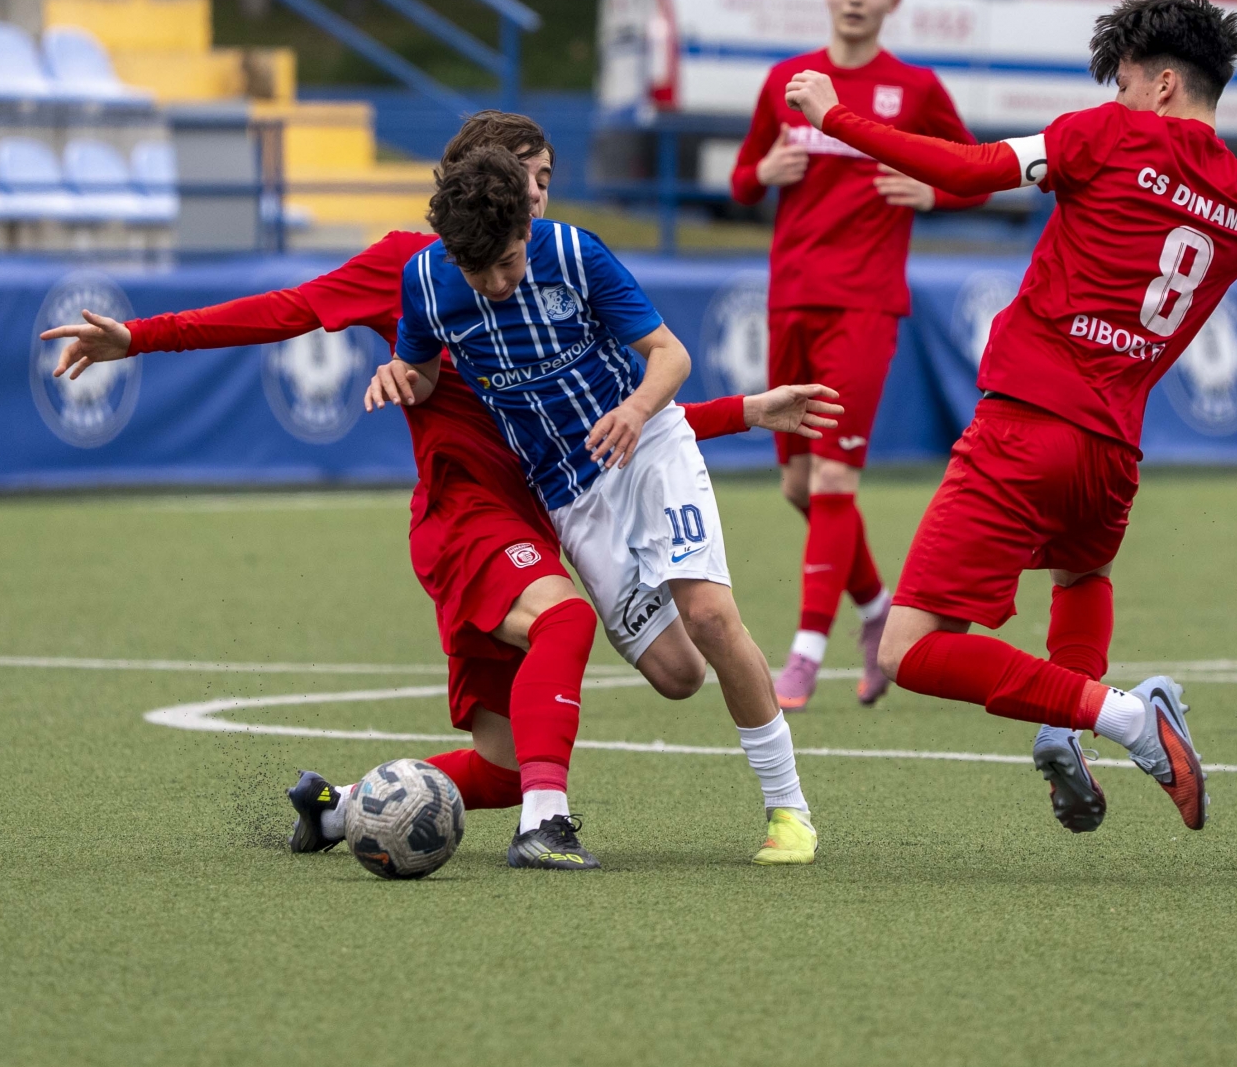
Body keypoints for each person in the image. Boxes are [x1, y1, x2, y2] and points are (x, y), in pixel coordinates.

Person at [41, 111, 841, 870]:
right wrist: (140, 337)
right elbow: (285, 311)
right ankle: (549, 825)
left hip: (545, 514)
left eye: (545, 179)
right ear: (473, 182)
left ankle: (339, 808)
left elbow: (600, 416)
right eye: (525, 177)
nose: (536, 196)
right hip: (472, 516)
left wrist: (739, 412)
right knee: (567, 622)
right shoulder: (414, 273)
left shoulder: (558, 260)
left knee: (521, 755)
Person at [784, 0, 1237, 835]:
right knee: (1080, 576)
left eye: (1125, 82)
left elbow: (970, 170)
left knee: (905, 649)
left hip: (1025, 425)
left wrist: (835, 117)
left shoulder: (1107, 136)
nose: (1118, 96)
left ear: (1162, 85)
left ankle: (1123, 716)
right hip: (1112, 452)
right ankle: (1061, 729)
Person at [376, 144, 822, 865]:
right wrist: (401, 376)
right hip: (569, 496)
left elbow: (670, 354)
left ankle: (788, 810)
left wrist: (637, 411)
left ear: (527, 227)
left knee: (710, 614)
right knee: (678, 676)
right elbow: (424, 373)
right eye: (479, 271)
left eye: (509, 263)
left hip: (649, 449)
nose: (496, 284)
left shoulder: (574, 254)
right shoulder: (425, 281)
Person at [730, 0, 991, 710]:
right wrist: (761, 171)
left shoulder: (913, 89)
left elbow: (977, 175)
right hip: (790, 300)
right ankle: (878, 611)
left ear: (892, 1)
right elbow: (741, 180)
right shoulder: (786, 81)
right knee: (799, 486)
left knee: (835, 477)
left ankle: (805, 656)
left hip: (865, 305)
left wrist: (932, 192)